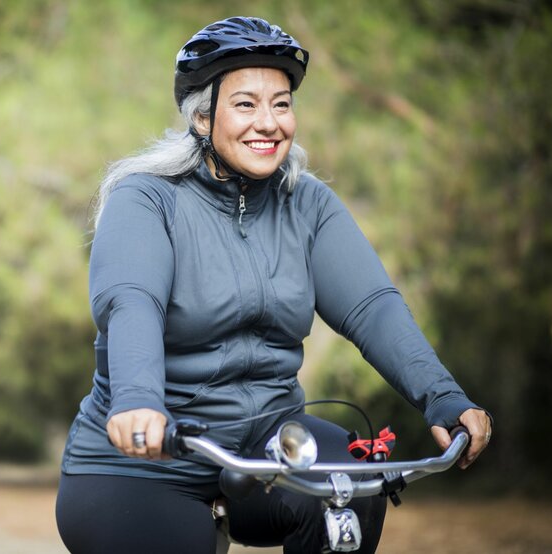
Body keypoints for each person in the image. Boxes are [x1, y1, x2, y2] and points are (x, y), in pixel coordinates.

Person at [55, 16, 492, 554]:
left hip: (271, 446)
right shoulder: (147, 200)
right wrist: (140, 402)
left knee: (350, 489)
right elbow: (132, 304)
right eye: (245, 104)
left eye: (281, 104)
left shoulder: (307, 203)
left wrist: (443, 397)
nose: (269, 123)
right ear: (201, 117)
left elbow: (373, 309)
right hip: (145, 458)